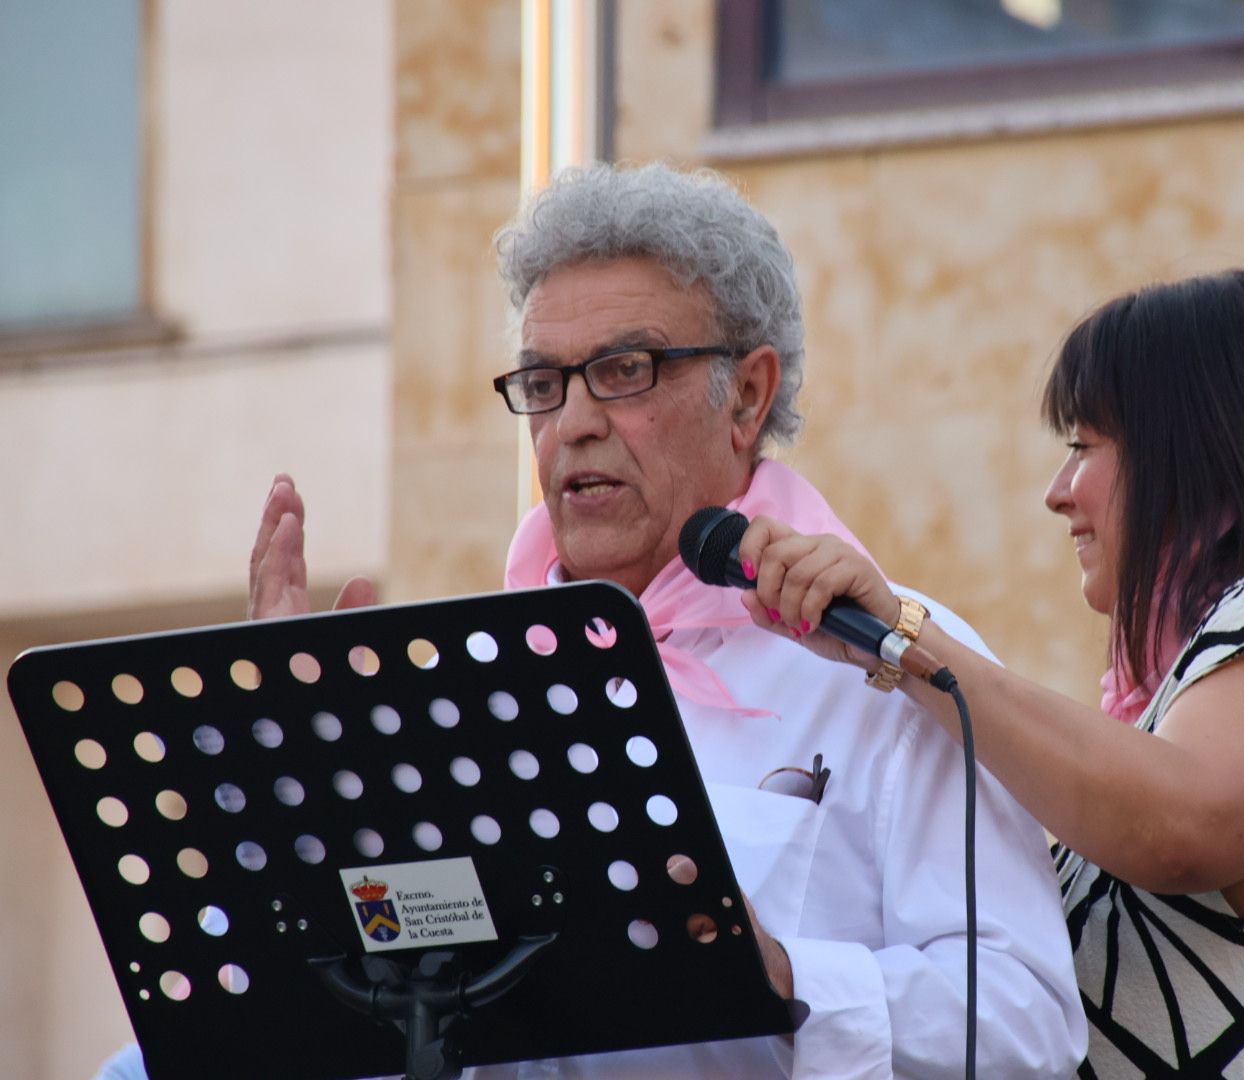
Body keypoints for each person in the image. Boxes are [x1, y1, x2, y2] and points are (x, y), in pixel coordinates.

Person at [96, 163, 1086, 1079]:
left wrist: (779, 976)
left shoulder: (892, 657)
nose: (571, 422)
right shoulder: (462, 681)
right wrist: (287, 785)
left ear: (746, 393)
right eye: (543, 382)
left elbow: (1026, 1022)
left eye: (623, 370)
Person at [736, 269, 1244, 1076]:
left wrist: (901, 638)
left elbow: (1184, 825)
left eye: (1083, 447)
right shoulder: (1240, 662)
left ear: (1197, 450)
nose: (1058, 494)